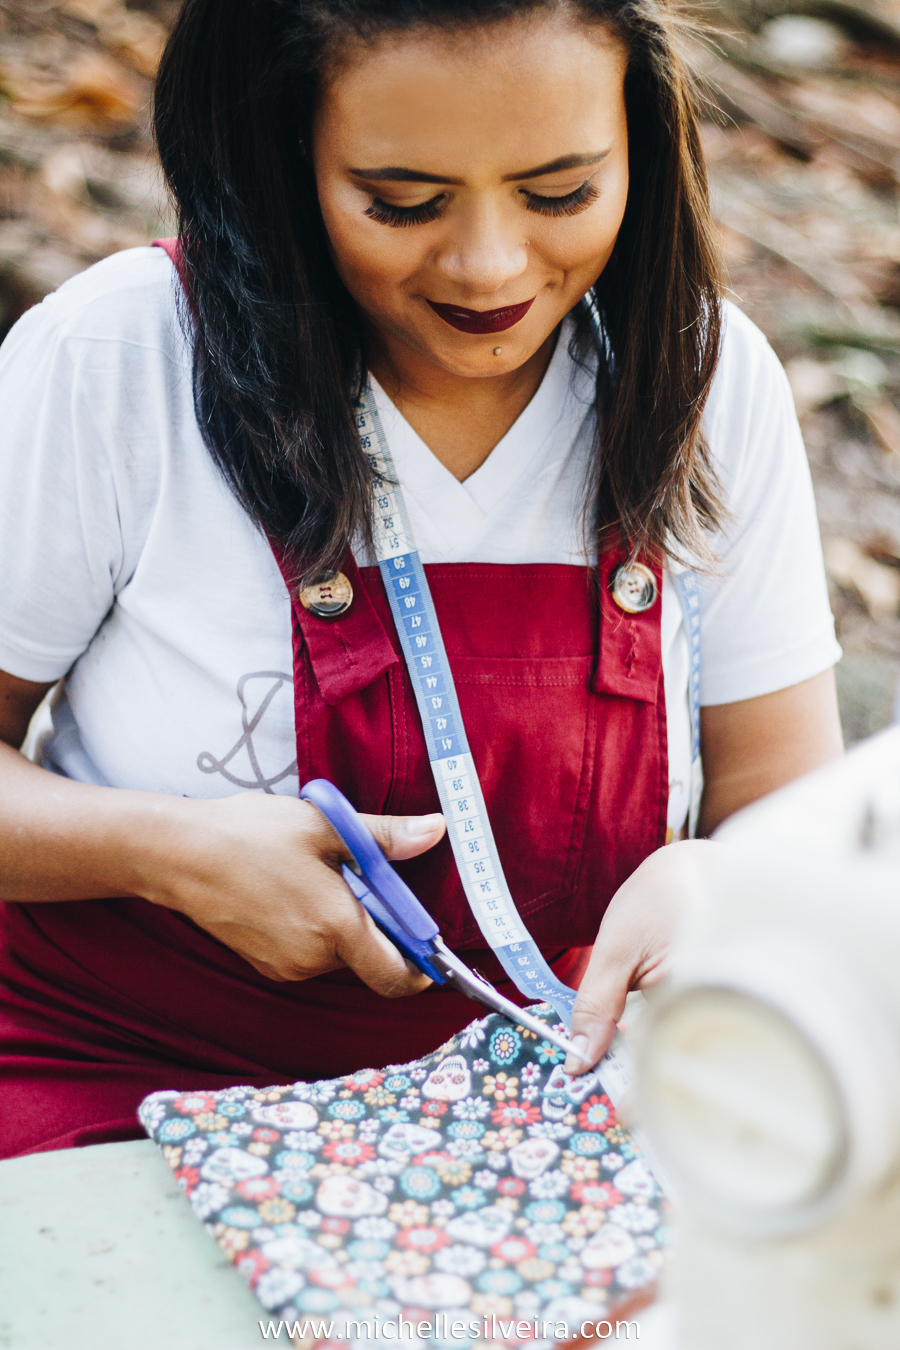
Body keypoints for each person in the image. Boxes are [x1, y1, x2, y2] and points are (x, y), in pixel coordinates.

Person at [0, 0, 842, 1160]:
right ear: (280, 156)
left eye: (561, 192)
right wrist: (168, 854)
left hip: (549, 1090)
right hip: (118, 1064)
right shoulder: (121, 359)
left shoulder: (701, 376)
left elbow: (799, 826)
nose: (491, 263)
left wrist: (720, 884)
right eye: (402, 203)